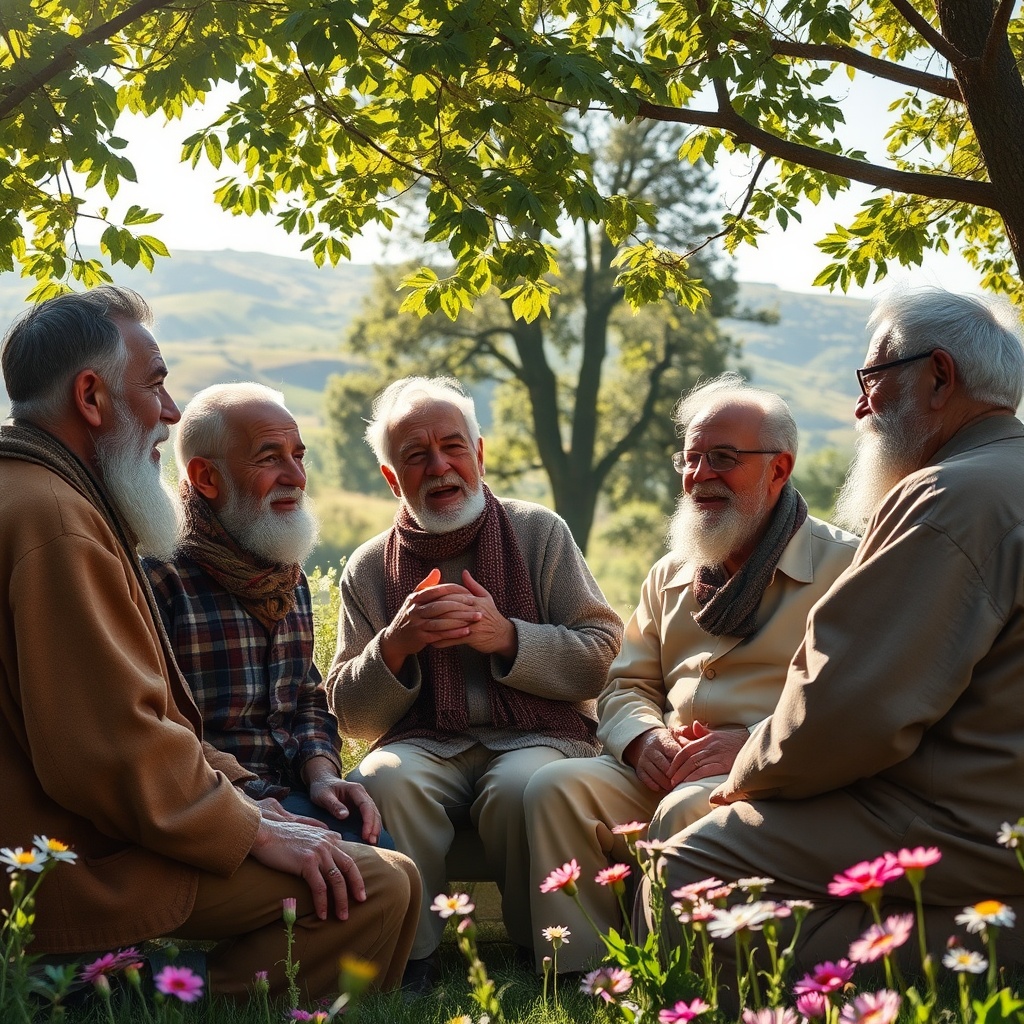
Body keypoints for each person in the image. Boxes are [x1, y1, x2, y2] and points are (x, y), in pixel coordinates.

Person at [0, 288, 419, 1001]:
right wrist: (248, 825)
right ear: (92, 396)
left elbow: (153, 718)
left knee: (382, 869)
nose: (169, 410)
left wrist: (269, 799)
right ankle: (147, 1002)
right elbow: (108, 748)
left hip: (125, 824)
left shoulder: (44, 499)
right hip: (76, 862)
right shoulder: (56, 523)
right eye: (156, 383)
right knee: (375, 883)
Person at [644, 286, 1024, 978]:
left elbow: (852, 712)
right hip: (986, 807)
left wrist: (742, 776)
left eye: (873, 380)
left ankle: (979, 961)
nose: (858, 407)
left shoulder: (949, 496)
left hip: (954, 816)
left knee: (688, 873)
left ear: (939, 377)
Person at [523, 374, 859, 971]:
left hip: (770, 774)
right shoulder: (672, 572)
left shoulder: (846, 568)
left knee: (687, 812)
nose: (700, 475)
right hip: (664, 763)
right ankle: (585, 970)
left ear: (779, 469)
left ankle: (669, 972)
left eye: (723, 459)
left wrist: (752, 746)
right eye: (691, 457)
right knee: (556, 788)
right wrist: (640, 739)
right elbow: (625, 684)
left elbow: (850, 701)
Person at [326, 375, 623, 992]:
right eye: (416, 455)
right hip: (423, 743)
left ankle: (551, 956)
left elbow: (602, 655)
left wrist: (510, 637)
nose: (440, 467)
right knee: (385, 780)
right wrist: (397, 643)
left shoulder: (539, 533)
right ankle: (411, 956)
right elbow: (349, 716)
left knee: (524, 784)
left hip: (537, 736)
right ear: (391, 478)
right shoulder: (368, 567)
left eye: (453, 447)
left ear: (480, 454)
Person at [145, 382, 392, 848]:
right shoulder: (159, 578)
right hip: (211, 806)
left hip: (293, 795)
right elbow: (157, 726)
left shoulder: (283, 567)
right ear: (206, 477)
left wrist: (321, 775)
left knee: (384, 851)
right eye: (269, 457)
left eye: (298, 456)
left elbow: (306, 695)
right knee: (374, 873)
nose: (296, 476)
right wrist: (251, 800)